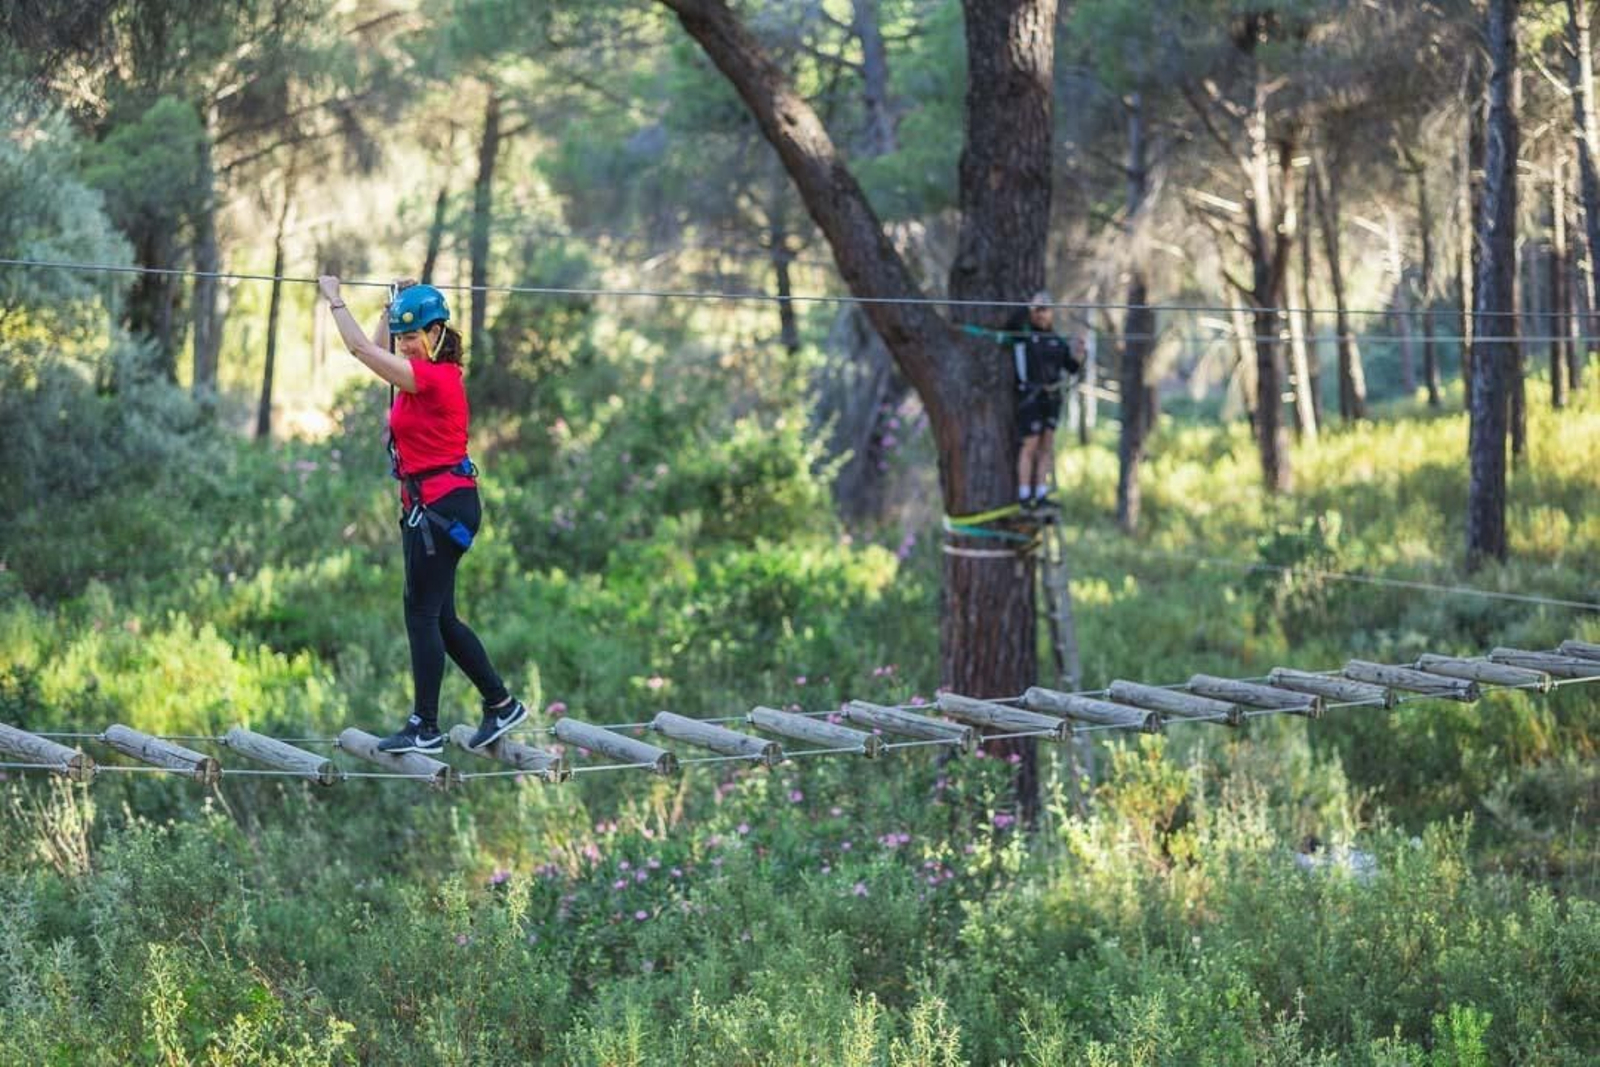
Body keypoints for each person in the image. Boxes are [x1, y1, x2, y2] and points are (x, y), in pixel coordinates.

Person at [317, 274, 527, 754]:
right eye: (403, 336)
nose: (406, 345)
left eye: (414, 336)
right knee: (441, 617)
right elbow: (375, 351)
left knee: (420, 614)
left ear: (436, 334)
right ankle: (500, 703)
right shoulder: (417, 370)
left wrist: (335, 299)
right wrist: (388, 307)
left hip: (442, 509)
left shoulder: (435, 378)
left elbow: (361, 353)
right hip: (429, 508)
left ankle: (424, 725)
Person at [1005, 290, 1081, 509]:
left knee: (1046, 446)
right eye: (1037, 310)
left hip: (1052, 398)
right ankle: (1024, 495)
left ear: (1052, 312)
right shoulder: (1023, 335)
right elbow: (1011, 324)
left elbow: (1072, 368)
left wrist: (1079, 355)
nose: (1041, 314)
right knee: (1030, 445)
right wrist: (1030, 306)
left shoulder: (1057, 340)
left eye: (1045, 309)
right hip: (1030, 397)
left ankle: (1040, 494)